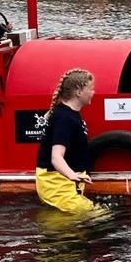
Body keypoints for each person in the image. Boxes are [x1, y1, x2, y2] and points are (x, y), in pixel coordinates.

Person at [35, 68, 101, 215]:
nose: (93, 92)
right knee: (100, 217)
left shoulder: (71, 115)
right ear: (78, 92)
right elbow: (56, 157)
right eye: (91, 89)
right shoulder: (64, 118)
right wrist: (72, 175)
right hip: (58, 184)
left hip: (66, 184)